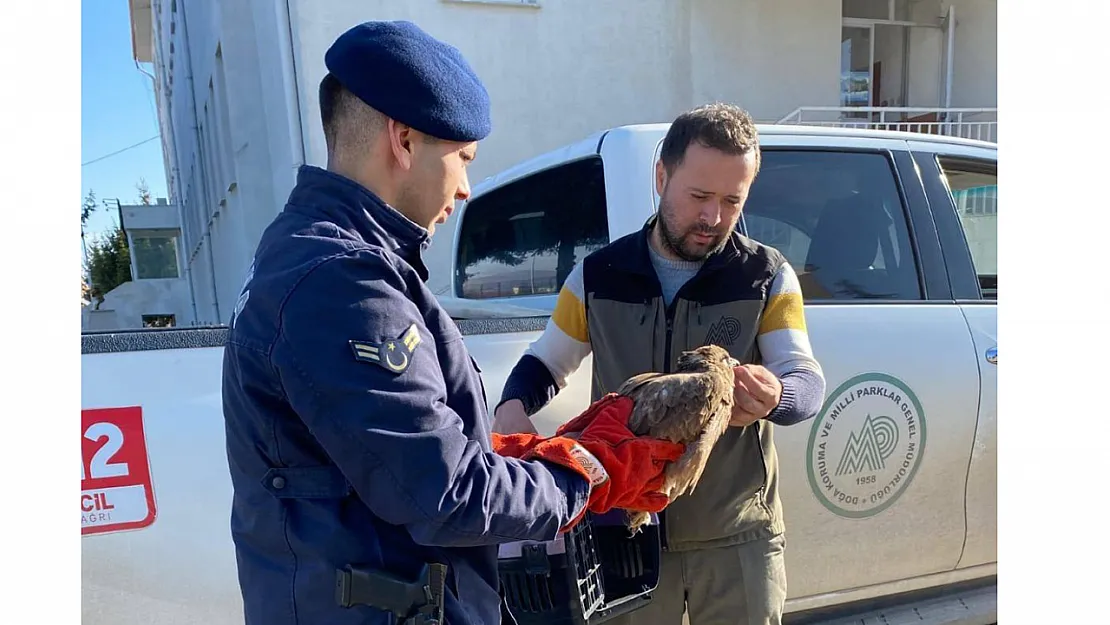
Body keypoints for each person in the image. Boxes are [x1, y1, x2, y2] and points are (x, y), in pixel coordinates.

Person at [221, 20, 685, 625]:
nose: (466, 187)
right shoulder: (342, 281)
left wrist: (520, 457)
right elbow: (447, 494)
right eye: (462, 157)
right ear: (404, 139)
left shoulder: (319, 255)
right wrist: (587, 475)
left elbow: (399, 455)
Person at [492, 103, 827, 625]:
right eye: (698, 196)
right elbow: (547, 362)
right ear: (661, 175)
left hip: (736, 537)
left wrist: (775, 396)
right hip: (625, 535)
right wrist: (512, 406)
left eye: (731, 202)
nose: (712, 217)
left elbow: (805, 379)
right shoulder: (598, 276)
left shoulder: (766, 276)